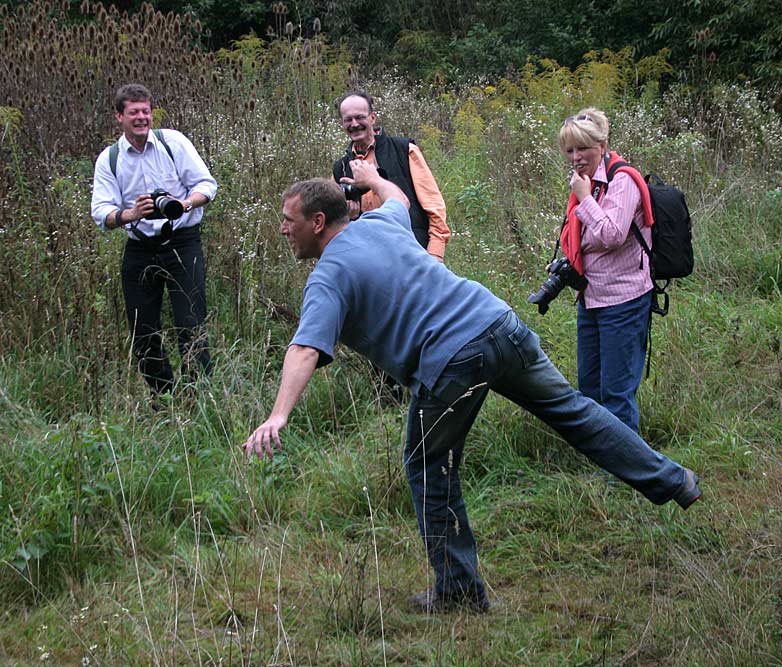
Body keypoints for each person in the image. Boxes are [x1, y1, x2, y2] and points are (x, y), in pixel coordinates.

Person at [243, 161, 702, 614]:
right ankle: (673, 479)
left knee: (428, 466)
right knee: (576, 413)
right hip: (500, 325)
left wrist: (278, 414)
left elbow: (303, 349)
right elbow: (399, 198)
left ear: (317, 222)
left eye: (288, 221)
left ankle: (460, 591)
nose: (283, 230)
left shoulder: (328, 275)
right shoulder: (380, 224)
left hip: (453, 360)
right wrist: (373, 180)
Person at [91, 84, 218, 394]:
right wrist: (131, 214)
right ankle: (163, 398)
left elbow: (207, 185)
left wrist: (184, 203)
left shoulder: (172, 142)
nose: (141, 117)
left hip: (182, 241)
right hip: (139, 248)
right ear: (118, 116)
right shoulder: (110, 159)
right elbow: (101, 212)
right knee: (143, 329)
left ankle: (199, 396)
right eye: (133, 112)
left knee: (190, 322)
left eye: (145, 111)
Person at [558, 108, 652, 433]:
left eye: (582, 148)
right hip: (592, 298)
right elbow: (584, 235)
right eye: (569, 150)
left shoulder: (622, 180)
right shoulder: (588, 182)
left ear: (602, 144)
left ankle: (624, 471)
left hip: (624, 300)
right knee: (589, 387)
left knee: (616, 393)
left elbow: (612, 234)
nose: (576, 157)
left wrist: (583, 198)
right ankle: (601, 457)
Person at [333, 91, 451, 262]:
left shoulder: (403, 150)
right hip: (370, 262)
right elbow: (337, 229)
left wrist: (434, 255)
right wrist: (348, 218)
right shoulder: (340, 168)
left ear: (372, 118)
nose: (354, 124)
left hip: (415, 255)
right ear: (341, 123)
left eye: (360, 117)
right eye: (348, 120)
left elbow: (434, 206)